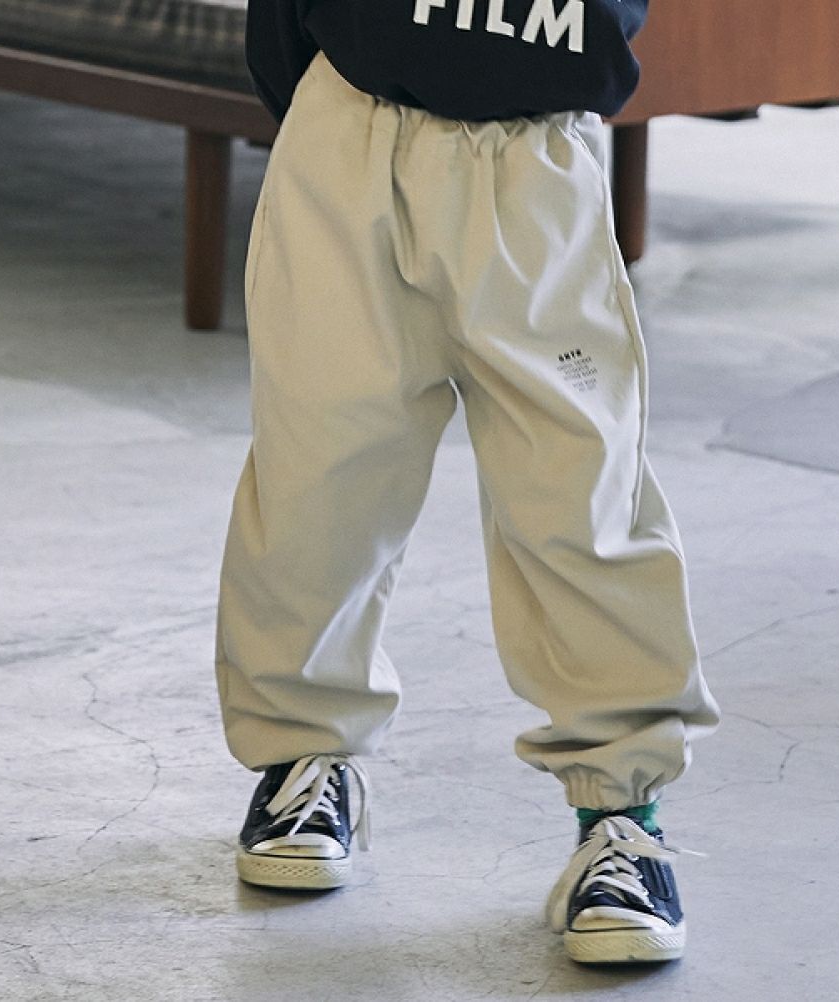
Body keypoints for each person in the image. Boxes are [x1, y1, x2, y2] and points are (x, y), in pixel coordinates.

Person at [215, 0, 720, 965]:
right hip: (348, 132)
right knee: (319, 471)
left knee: (576, 488)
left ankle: (621, 817)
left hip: (532, 148)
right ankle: (302, 756)